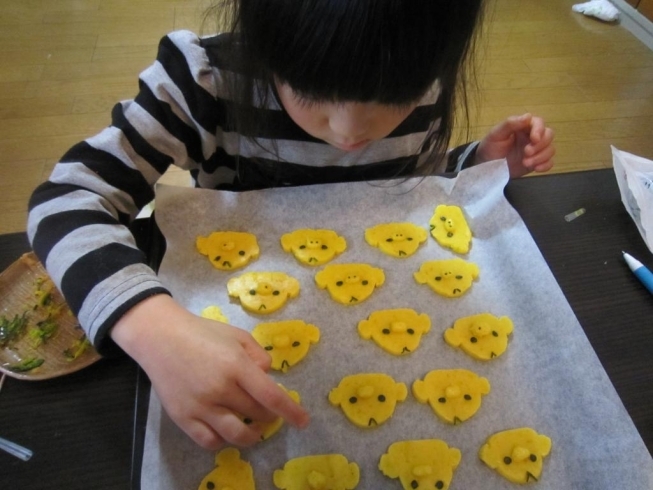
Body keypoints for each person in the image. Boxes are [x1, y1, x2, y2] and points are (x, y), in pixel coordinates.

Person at [27, 0, 554, 451]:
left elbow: (408, 189)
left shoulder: (416, 65)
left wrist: (474, 165)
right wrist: (152, 326)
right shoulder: (202, 82)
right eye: (313, 92)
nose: (351, 131)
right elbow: (69, 196)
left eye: (392, 101)